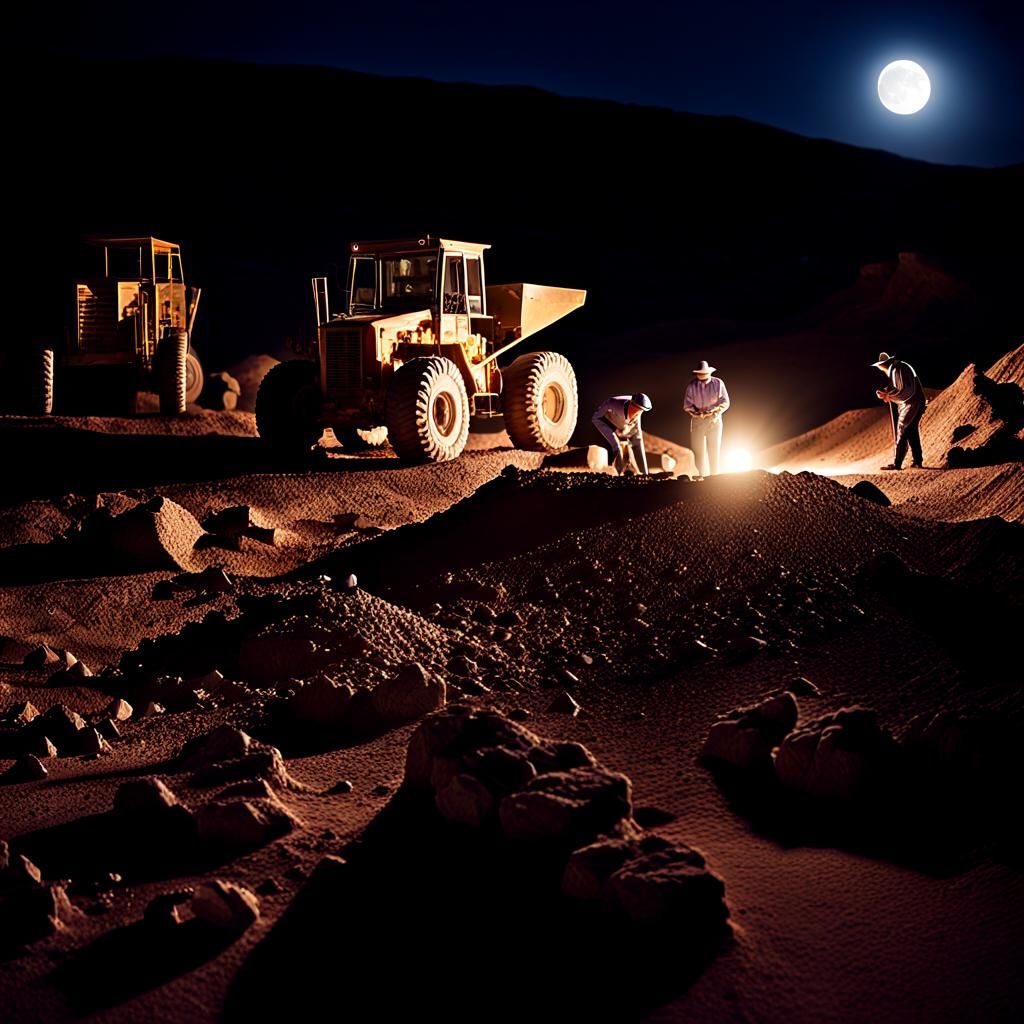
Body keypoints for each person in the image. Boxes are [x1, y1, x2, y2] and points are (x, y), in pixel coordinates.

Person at [872, 351, 927, 470]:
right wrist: (886, 392)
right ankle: (917, 461)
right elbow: (896, 387)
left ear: (884, 364)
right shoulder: (896, 369)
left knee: (902, 430)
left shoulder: (899, 368)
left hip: (912, 403)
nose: (880, 369)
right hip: (910, 403)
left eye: (880, 366)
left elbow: (907, 391)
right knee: (911, 431)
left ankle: (897, 464)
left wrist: (889, 395)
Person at [683, 359, 729, 478]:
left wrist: (715, 411)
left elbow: (725, 402)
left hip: (714, 420)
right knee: (698, 451)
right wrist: (696, 413)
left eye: (703, 373)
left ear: (709, 373)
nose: (701, 375)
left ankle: (714, 477)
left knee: (714, 450)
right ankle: (701, 476)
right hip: (698, 421)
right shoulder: (691, 386)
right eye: (699, 373)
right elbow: (687, 405)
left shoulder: (718, 383)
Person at [592, 393, 653, 475]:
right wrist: (610, 431)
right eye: (634, 408)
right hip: (611, 424)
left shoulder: (638, 414)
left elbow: (637, 440)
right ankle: (620, 474)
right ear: (630, 403)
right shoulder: (614, 403)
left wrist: (645, 475)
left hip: (627, 427)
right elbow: (596, 418)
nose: (635, 412)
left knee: (638, 443)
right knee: (616, 446)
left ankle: (644, 473)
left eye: (639, 410)